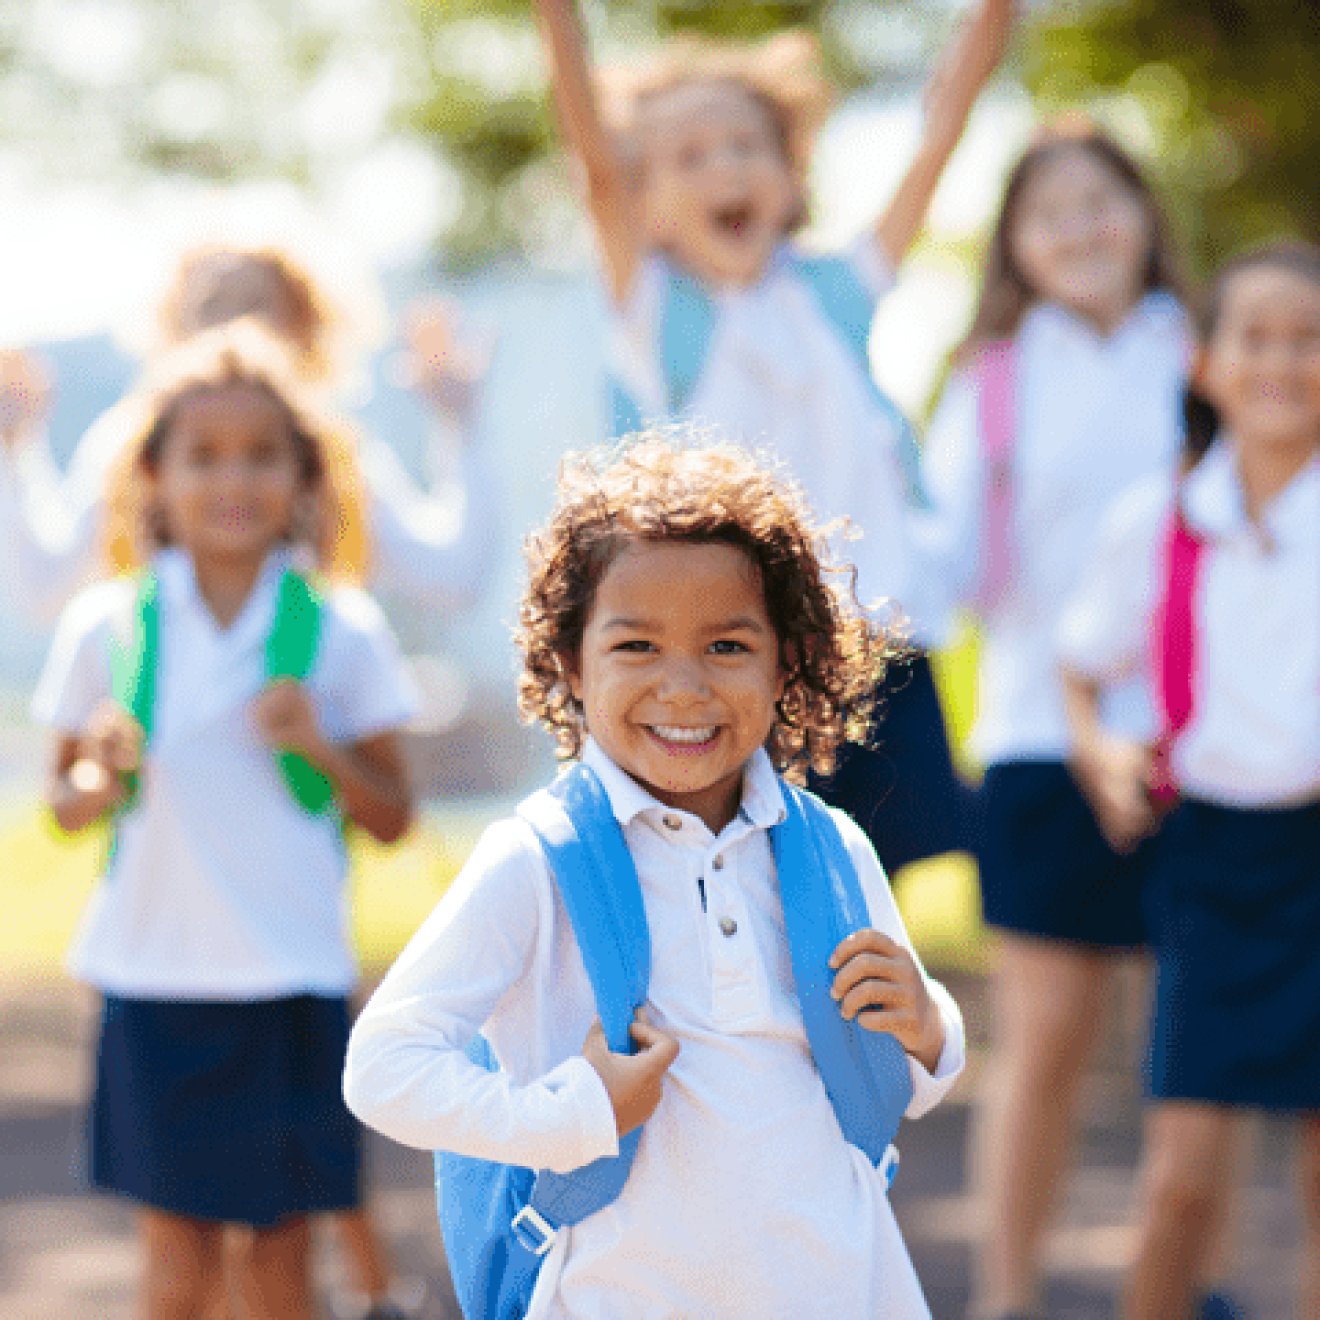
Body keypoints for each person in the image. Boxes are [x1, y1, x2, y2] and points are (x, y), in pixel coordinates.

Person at [343, 432, 966, 1319]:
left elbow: (914, 1076)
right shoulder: (536, 860)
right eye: (637, 646)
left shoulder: (833, 850)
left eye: (726, 647)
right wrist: (570, 1116)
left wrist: (931, 1027)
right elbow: (383, 1067)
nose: (683, 688)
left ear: (786, 661)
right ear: (570, 662)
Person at [531, 0, 1015, 877]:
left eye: (745, 146)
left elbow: (936, 144)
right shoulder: (655, 308)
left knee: (869, 880)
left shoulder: (836, 293)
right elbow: (595, 164)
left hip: (872, 643)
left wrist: (987, 32)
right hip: (730, 661)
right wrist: (556, 20)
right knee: (745, 881)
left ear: (791, 179)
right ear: (646, 202)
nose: (724, 167)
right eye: (688, 156)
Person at [31, 320, 419, 1320]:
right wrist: (100, 774)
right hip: (153, 985)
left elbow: (392, 815)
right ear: (152, 476)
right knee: (174, 1266)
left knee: (281, 1265)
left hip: (289, 984)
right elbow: (63, 808)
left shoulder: (340, 630)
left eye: (261, 456)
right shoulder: (107, 626)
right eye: (202, 456)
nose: (232, 479)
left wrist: (321, 749)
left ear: (304, 477)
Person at [913, 121, 1202, 1320]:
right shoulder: (991, 380)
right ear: (1016, 250)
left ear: (1143, 214)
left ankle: (1184, 1292)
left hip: (1212, 747)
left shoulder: (1205, 352)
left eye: (1103, 200)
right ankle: (1009, 1300)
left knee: (1203, 1063)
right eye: (1050, 213)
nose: (1082, 228)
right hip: (1039, 737)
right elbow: (946, 578)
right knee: (1049, 1045)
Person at [1059, 240, 1320, 1320]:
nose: (1283, 360)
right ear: (1209, 364)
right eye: (1256, 336)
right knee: (1179, 1183)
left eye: (1309, 339)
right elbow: (1079, 670)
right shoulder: (1160, 523)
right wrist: (1101, 749)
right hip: (1210, 862)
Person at [0, 241, 499, 623]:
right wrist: (15, 447)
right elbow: (42, 591)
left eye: (255, 306)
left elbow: (453, 578)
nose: (232, 331)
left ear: (305, 328)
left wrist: (457, 423)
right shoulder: (127, 447)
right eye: (211, 305)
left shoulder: (334, 452)